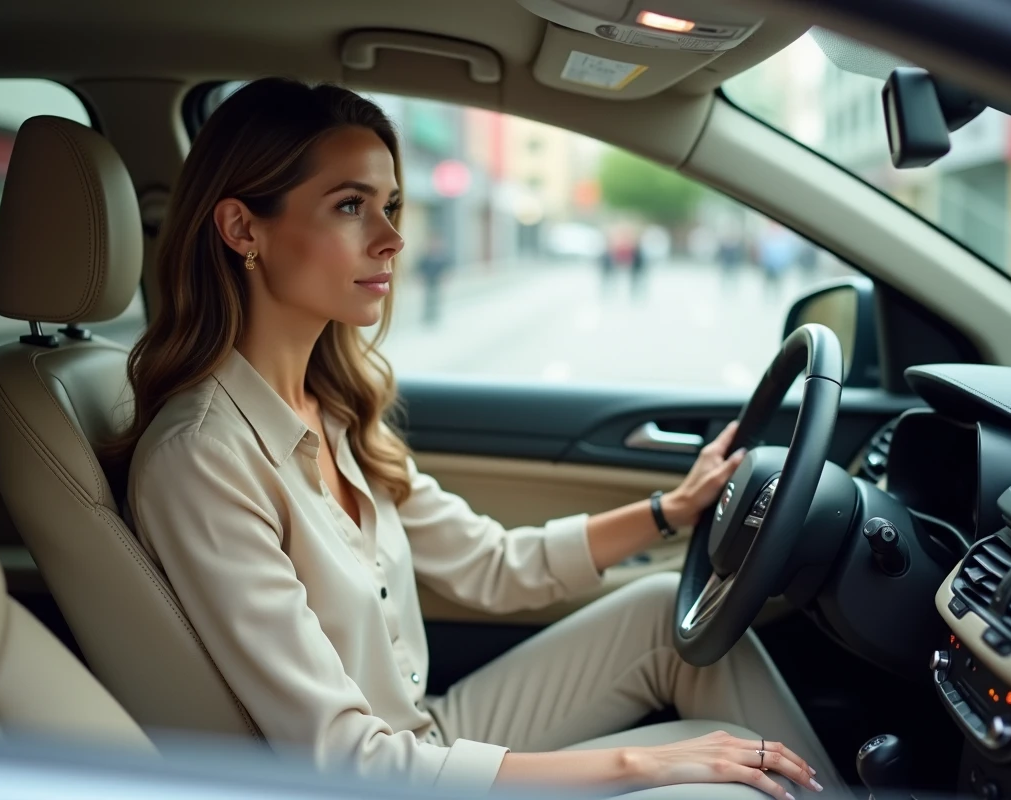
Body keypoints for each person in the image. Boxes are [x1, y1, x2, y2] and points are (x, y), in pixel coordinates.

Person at [110, 78, 839, 799]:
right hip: (373, 779)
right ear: (243, 230)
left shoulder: (329, 409)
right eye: (350, 206)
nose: (393, 238)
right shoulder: (203, 459)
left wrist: (666, 512)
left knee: (660, 617)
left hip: (424, 734)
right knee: (743, 783)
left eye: (389, 204)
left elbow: (493, 563)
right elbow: (342, 758)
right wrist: (643, 765)